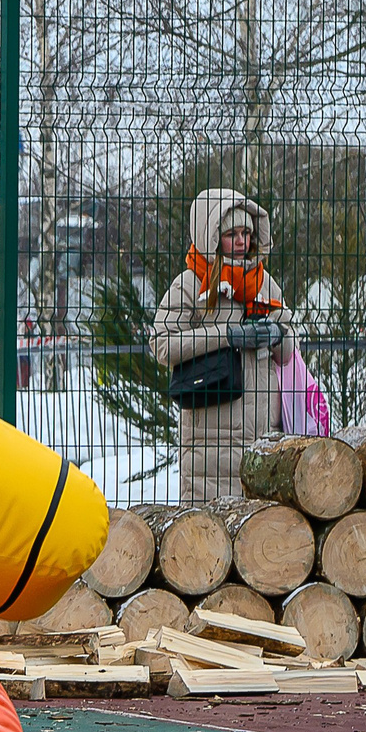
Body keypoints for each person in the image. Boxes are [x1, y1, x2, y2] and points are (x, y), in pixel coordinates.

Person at [149, 186, 298, 502]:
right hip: (210, 448)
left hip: (264, 442)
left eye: (246, 233)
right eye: (232, 234)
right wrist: (227, 336)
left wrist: (276, 335)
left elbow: (288, 352)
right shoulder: (190, 284)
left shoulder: (264, 283)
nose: (242, 241)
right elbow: (162, 344)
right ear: (212, 237)